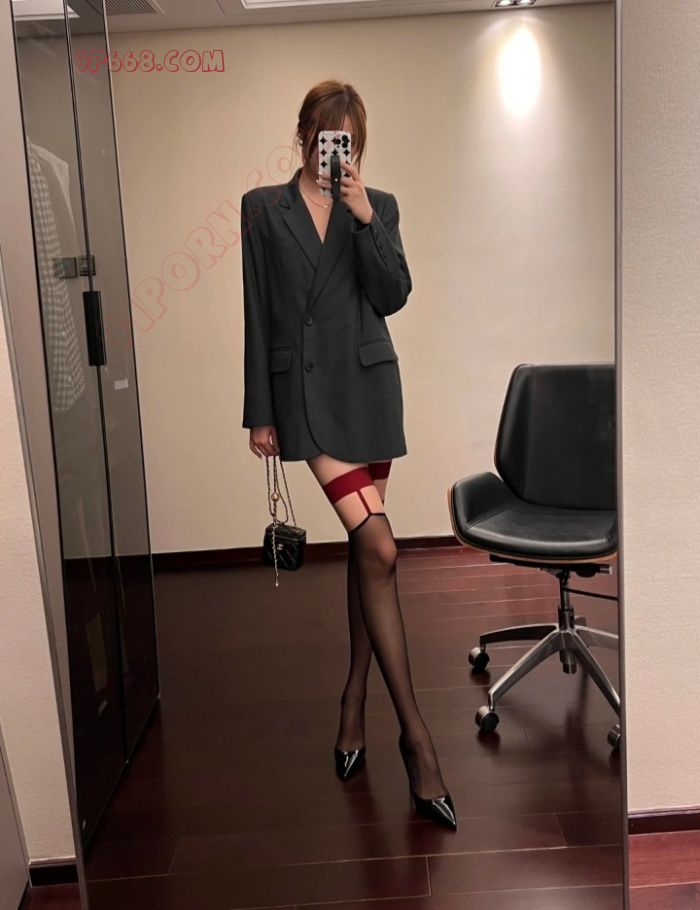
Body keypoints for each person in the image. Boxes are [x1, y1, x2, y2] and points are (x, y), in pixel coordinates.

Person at [240, 80, 456, 830]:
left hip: (368, 389)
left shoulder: (379, 205)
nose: (335, 151)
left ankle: (353, 702)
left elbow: (393, 295)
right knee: (382, 547)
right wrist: (259, 412)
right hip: (304, 397)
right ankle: (417, 741)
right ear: (304, 132)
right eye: (326, 136)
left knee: (368, 555)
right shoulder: (262, 208)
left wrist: (364, 217)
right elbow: (257, 311)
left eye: (349, 142)